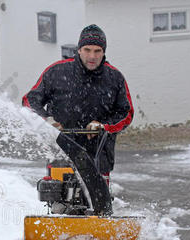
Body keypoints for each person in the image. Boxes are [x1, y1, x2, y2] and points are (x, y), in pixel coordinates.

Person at [22, 24, 134, 176]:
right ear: (79, 49)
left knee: (96, 199)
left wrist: (103, 126)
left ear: (104, 52)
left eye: (97, 51)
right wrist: (47, 121)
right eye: (87, 50)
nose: (92, 56)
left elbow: (126, 113)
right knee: (58, 197)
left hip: (98, 157)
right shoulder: (56, 72)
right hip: (61, 152)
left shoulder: (115, 78)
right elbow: (30, 100)